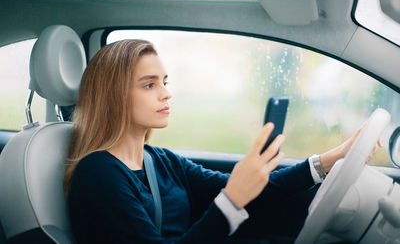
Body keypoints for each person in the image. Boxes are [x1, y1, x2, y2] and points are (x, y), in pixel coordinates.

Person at [64, 40, 381, 244]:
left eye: (164, 82)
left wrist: (328, 160)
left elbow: (243, 188)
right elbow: (233, 193)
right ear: (113, 96)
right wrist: (231, 200)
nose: (166, 92)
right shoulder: (99, 173)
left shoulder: (160, 160)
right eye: (149, 85)